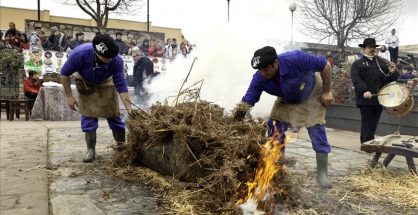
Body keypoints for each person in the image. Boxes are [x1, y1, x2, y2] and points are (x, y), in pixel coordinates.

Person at [236, 46, 334, 189]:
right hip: (287, 98)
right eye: (259, 70)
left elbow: (325, 65)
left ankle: (322, 174)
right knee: (275, 128)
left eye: (265, 69)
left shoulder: (295, 58)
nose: (262, 73)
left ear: (275, 63)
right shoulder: (259, 77)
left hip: (312, 93)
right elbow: (249, 100)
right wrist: (236, 119)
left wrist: (326, 92)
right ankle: (276, 169)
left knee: (316, 130)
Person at [60, 34, 133, 163]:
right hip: (85, 82)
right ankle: (90, 150)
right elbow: (64, 73)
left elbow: (121, 84)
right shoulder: (80, 53)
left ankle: (121, 147)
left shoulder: (117, 60)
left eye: (111, 57)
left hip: (106, 83)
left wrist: (129, 108)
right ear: (96, 51)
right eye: (106, 57)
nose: (109, 59)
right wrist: (69, 96)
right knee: (88, 117)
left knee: (114, 116)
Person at [350, 38, 398, 144]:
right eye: (369, 47)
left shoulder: (381, 62)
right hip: (366, 98)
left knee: (374, 121)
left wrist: (393, 72)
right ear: (364, 48)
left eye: (373, 47)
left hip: (379, 98)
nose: (372, 49)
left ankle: (370, 142)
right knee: (367, 121)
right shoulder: (358, 64)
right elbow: (356, 79)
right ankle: (366, 143)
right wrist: (364, 90)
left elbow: (389, 79)